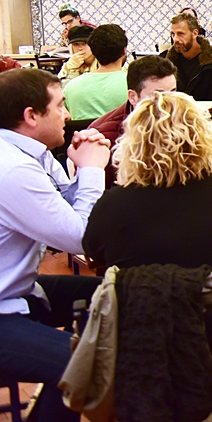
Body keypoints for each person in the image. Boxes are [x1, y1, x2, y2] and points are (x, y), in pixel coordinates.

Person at [0, 68, 111, 422]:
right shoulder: (12, 168)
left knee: (116, 295)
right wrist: (92, 170)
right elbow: (81, 238)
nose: (68, 114)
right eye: (60, 105)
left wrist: (80, 167)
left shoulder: (33, 153)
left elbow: (62, 208)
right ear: (31, 116)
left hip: (18, 290)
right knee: (84, 366)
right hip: (4, 305)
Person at [83, 92, 212, 271]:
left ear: (133, 144)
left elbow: (92, 249)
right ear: (202, 135)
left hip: (148, 289)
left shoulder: (116, 203)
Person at [90, 55, 178, 187]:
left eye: (173, 93)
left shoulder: (185, 124)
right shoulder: (104, 136)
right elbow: (99, 193)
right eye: (158, 96)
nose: (169, 103)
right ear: (133, 97)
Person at [163, 13, 212, 131]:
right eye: (173, 34)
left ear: (195, 33)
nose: (175, 39)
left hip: (209, 120)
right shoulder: (165, 61)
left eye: (180, 34)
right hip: (174, 121)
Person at [63, 24, 129, 122]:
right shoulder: (134, 87)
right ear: (124, 51)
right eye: (76, 44)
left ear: (93, 51)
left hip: (83, 132)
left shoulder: (70, 88)